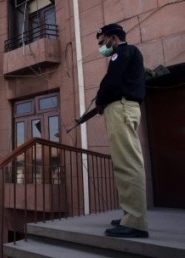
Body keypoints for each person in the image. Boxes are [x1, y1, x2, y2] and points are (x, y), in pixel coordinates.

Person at [95, 23, 148, 238]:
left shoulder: (123, 52)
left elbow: (112, 83)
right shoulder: (125, 54)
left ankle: (135, 222)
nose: (101, 47)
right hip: (123, 108)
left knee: (127, 164)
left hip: (122, 108)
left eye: (102, 42)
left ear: (114, 38)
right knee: (123, 164)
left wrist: (100, 100)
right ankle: (130, 215)